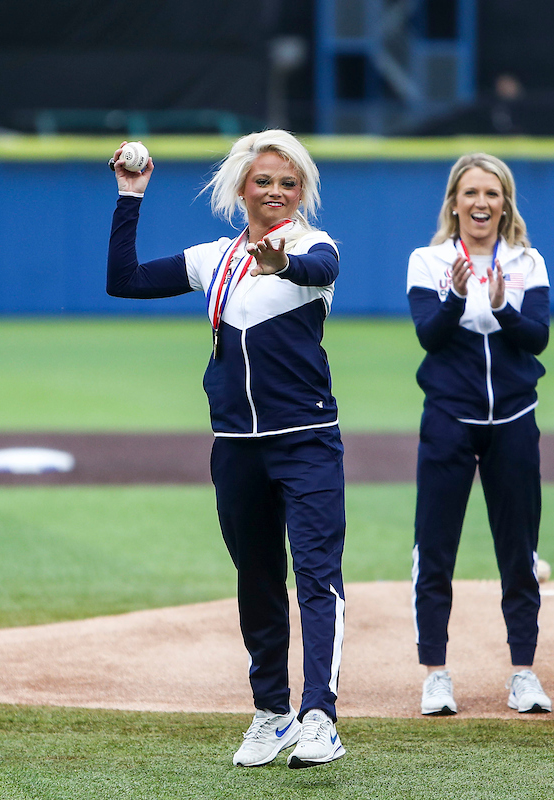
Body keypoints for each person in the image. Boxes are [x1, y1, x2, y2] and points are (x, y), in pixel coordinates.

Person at [106, 130, 348, 767]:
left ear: (302, 193)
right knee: (258, 580)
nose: (275, 191)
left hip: (305, 439)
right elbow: (124, 280)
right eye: (264, 180)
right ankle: (272, 713)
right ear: (242, 186)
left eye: (288, 182)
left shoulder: (312, 245)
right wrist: (130, 197)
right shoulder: (215, 257)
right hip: (236, 445)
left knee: (317, 574)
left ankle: (320, 714)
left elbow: (319, 269)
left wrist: (282, 263)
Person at [406, 153, 553, 716]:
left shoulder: (528, 262)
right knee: (435, 549)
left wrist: (500, 307)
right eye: (470, 193)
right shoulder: (428, 260)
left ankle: (524, 674)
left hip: (514, 420)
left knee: (518, 551)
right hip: (448, 419)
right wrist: (456, 296)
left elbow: (536, 338)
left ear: (505, 202)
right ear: (454, 202)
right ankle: (435, 675)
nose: (481, 203)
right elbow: (429, 336)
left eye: (491, 193)